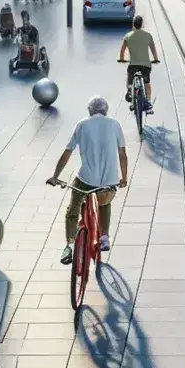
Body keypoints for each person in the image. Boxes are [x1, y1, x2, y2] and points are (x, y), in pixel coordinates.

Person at [48, 95, 129, 264]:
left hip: (85, 179)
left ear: (89, 111)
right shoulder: (115, 125)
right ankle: (105, 237)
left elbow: (67, 152)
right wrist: (123, 178)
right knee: (105, 203)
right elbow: (122, 154)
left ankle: (69, 245)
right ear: (105, 111)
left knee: (72, 211)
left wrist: (56, 176)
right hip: (109, 181)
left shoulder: (82, 124)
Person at [118, 16, 161, 110]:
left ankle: (130, 90)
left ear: (133, 24)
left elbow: (122, 50)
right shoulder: (148, 35)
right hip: (146, 66)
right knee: (147, 85)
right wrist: (156, 59)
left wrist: (121, 59)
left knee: (129, 79)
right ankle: (148, 103)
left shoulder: (128, 36)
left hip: (133, 65)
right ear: (142, 24)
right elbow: (153, 48)